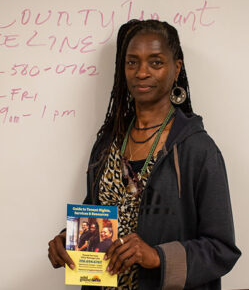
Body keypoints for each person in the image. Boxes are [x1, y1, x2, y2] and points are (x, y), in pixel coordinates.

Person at [48, 19, 241, 290]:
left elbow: (221, 249)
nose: (141, 72)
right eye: (132, 62)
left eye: (156, 62)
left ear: (176, 69)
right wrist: (69, 239)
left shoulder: (198, 149)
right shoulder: (107, 144)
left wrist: (157, 256)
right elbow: (95, 217)